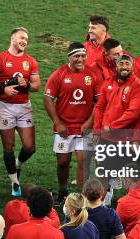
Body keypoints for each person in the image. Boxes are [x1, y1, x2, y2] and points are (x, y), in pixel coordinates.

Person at [44, 42, 102, 200]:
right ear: (69, 57)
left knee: (83, 161)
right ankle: (63, 191)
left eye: (83, 56)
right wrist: (58, 123)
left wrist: (90, 122)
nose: (80, 59)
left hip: (84, 128)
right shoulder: (59, 74)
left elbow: (100, 102)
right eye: (77, 56)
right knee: (63, 162)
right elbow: (48, 99)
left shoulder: (93, 75)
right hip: (64, 129)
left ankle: (81, 197)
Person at [0, 27, 40, 196]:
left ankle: (17, 164)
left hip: (24, 107)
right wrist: (3, 90)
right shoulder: (0, 59)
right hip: (5, 107)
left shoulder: (30, 61)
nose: (24, 41)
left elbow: (37, 85)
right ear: (12, 39)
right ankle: (15, 183)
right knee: (8, 146)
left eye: (26, 39)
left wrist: (28, 85)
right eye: (21, 38)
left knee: (30, 147)